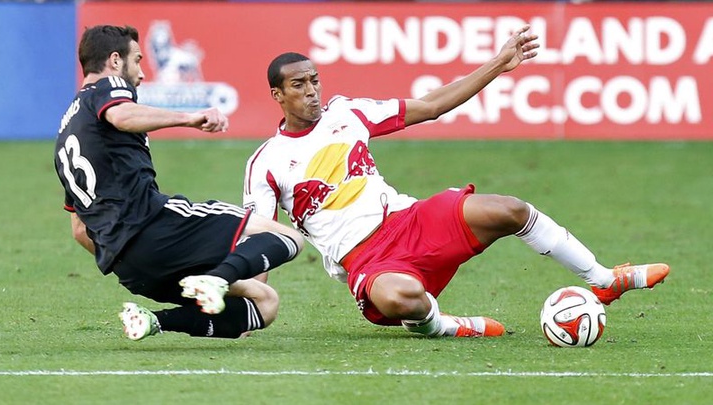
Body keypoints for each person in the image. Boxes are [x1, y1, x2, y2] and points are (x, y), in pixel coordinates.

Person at [243, 25, 669, 338]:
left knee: (509, 209)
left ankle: (601, 278)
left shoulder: (346, 113)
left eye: (315, 80)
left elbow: (429, 105)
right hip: (367, 261)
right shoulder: (267, 162)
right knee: (400, 300)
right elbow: (260, 238)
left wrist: (501, 63)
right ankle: (445, 325)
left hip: (409, 219)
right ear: (278, 96)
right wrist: (253, 304)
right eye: (299, 85)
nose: (312, 92)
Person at [54, 25, 305, 341]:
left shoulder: (66, 134)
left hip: (129, 269)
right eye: (138, 60)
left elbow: (79, 231)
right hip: (156, 230)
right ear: (115, 61)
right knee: (289, 238)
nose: (143, 74)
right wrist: (190, 118)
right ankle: (217, 278)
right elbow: (122, 116)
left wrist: (125, 255)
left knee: (264, 303)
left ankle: (153, 320)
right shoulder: (106, 88)